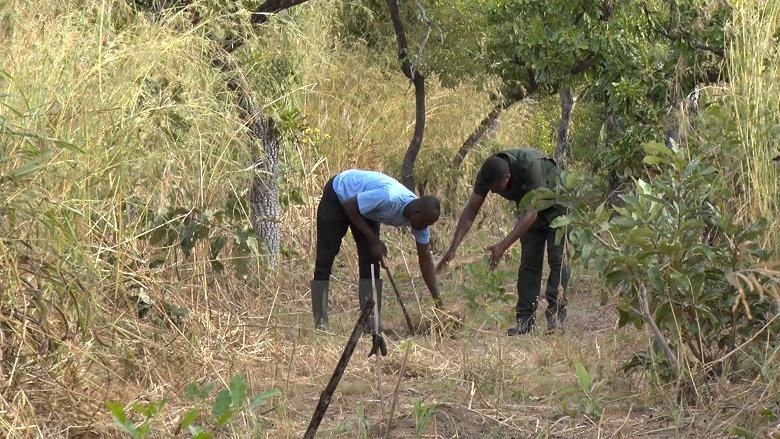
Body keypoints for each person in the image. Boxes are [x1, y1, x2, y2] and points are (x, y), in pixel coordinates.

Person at [437, 147, 571, 335]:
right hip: (529, 209)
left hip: (557, 206)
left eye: (497, 190)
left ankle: (555, 320)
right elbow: (472, 208)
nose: (491, 193)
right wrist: (453, 247)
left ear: (508, 177)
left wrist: (503, 245)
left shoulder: (530, 166)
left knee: (558, 260)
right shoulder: (489, 172)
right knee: (529, 264)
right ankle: (525, 322)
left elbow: (531, 214)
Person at [311, 169, 442, 332]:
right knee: (325, 257)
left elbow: (425, 259)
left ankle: (370, 323)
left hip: (366, 208)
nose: (424, 228)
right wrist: (374, 240)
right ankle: (320, 323)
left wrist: (439, 302)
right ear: (415, 212)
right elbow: (350, 205)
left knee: (371, 263)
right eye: (424, 223)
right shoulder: (388, 197)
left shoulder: (422, 218)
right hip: (339, 194)